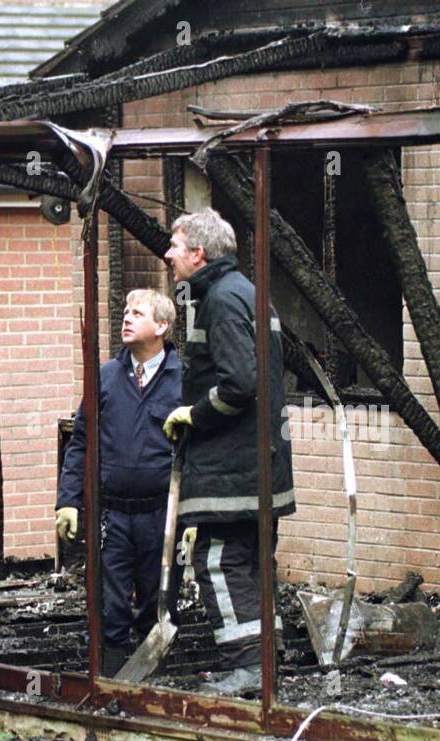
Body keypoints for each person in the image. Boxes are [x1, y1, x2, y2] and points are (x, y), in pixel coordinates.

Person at [162, 208, 295, 696]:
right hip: (260, 464)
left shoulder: (220, 298)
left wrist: (193, 415)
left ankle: (246, 666)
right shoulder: (247, 293)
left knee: (218, 560)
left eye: (175, 245)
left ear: (199, 253)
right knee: (255, 561)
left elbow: (239, 383)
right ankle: (264, 666)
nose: (168, 254)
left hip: (231, 468)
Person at [56, 289, 182, 677]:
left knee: (156, 602)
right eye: (125, 311)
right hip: (113, 516)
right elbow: (81, 441)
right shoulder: (107, 377)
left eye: (137, 313)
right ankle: (110, 682)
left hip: (162, 516)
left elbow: (197, 453)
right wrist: (68, 500)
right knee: (110, 605)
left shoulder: (183, 381)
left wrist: (193, 518)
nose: (126, 318)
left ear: (161, 326)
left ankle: (151, 685)